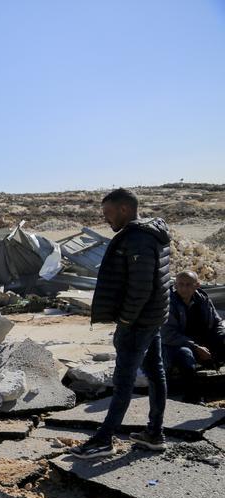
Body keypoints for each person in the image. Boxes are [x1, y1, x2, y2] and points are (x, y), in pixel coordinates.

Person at [73, 188, 171, 458]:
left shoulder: (138, 239)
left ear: (124, 209)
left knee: (123, 380)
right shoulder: (154, 232)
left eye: (108, 213)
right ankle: (155, 433)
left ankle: (104, 440)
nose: (105, 218)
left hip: (138, 322)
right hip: (153, 317)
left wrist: (126, 320)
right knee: (155, 372)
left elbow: (140, 288)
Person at [162, 271, 225, 402]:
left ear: (197, 285)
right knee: (185, 355)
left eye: (188, 285)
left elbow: (216, 322)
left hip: (202, 342)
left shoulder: (202, 299)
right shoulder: (168, 303)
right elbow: (168, 334)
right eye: (181, 284)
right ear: (175, 285)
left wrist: (220, 337)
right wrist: (196, 347)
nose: (184, 288)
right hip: (176, 345)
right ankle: (192, 397)